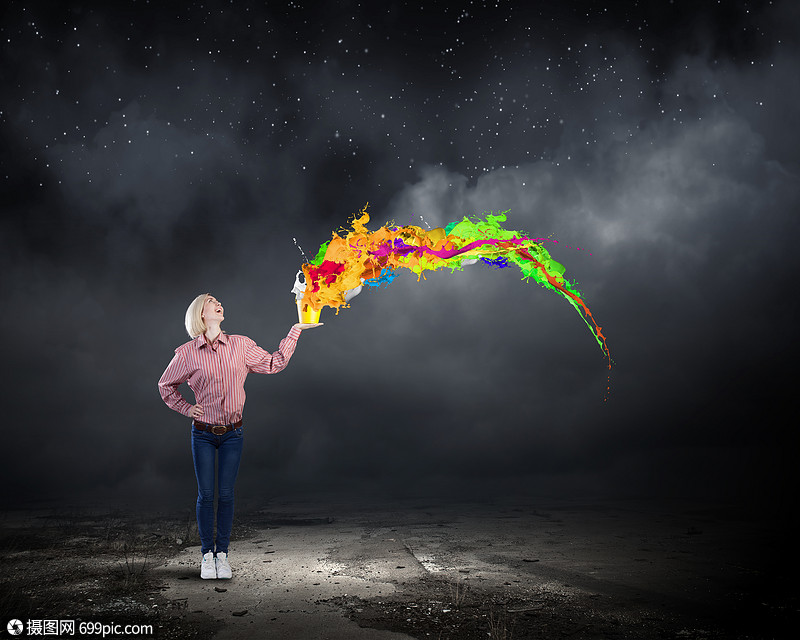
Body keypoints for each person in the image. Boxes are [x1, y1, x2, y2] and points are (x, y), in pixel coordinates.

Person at [158, 293, 322, 579]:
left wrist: (295, 331)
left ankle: (223, 555)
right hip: (203, 434)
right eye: (211, 301)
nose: (218, 302)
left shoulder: (241, 345)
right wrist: (186, 408)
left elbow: (274, 363)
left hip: (234, 434)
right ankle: (207, 556)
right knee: (206, 495)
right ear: (200, 313)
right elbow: (165, 386)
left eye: (218, 300)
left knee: (226, 494)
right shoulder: (186, 353)